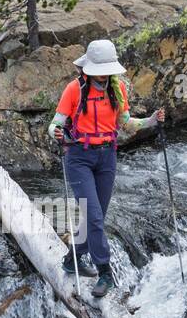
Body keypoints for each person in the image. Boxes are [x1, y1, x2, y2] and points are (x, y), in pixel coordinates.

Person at [48, 39, 165, 298]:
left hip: (107, 157)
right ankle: (105, 272)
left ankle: (73, 259)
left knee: (95, 216)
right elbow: (55, 123)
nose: (102, 74)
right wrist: (55, 132)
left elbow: (126, 123)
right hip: (78, 157)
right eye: (98, 69)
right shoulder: (74, 90)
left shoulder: (118, 88)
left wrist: (151, 120)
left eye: (106, 69)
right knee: (96, 218)